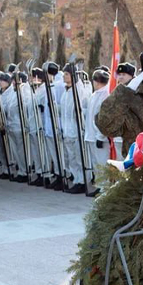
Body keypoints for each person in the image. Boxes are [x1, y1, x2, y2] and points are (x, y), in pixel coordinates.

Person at [60, 64, 91, 193]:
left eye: (66, 74)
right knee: (71, 157)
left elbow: (85, 109)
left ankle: (82, 181)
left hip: (77, 130)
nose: (64, 77)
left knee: (79, 157)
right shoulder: (66, 91)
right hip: (67, 130)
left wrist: (80, 113)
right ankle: (77, 180)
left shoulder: (80, 91)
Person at [84, 68, 112, 195]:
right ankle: (99, 186)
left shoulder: (106, 94)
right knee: (96, 164)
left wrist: (101, 136)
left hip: (99, 137)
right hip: (91, 135)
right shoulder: (95, 94)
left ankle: (105, 188)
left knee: (102, 164)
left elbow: (103, 118)